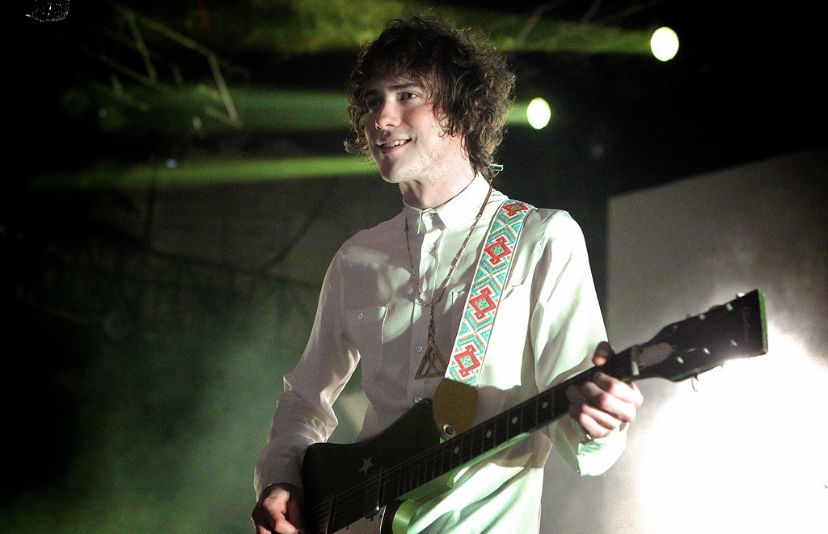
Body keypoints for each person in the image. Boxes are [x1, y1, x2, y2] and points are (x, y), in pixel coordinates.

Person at [252, 14, 643, 534]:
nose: (381, 118)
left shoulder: (542, 239)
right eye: (372, 100)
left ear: (467, 110)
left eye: (407, 95)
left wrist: (600, 421)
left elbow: (583, 448)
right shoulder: (356, 259)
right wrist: (282, 480)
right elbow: (304, 398)